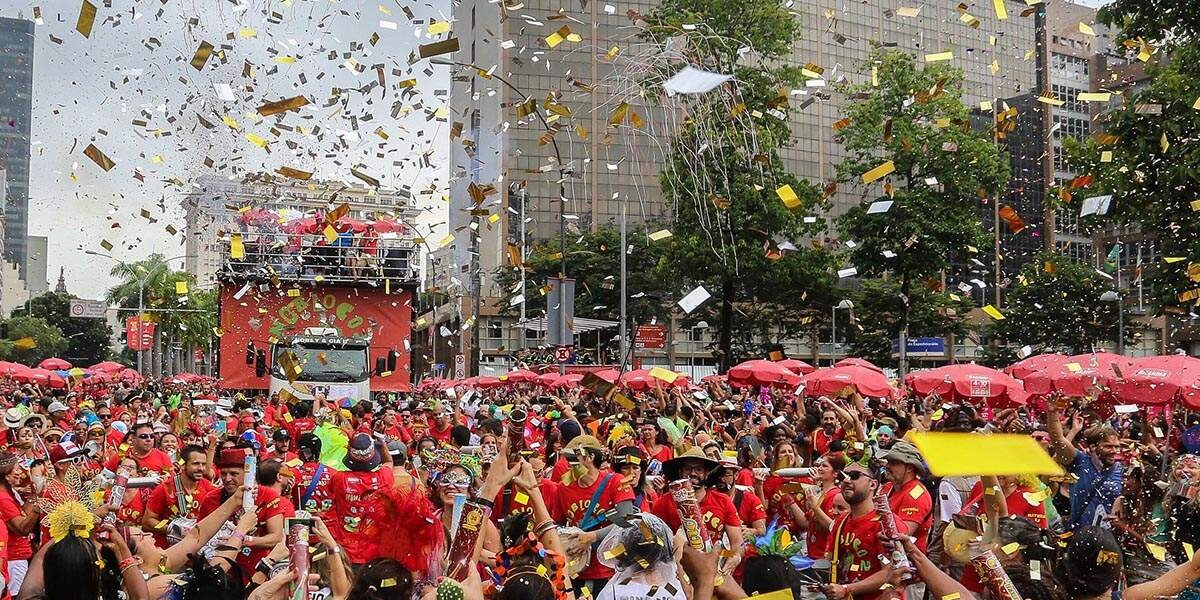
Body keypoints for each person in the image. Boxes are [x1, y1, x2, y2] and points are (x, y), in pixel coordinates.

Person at [552, 435, 635, 597]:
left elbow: (628, 521)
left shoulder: (616, 481)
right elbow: (557, 524)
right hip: (576, 571)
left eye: (572, 458)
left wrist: (591, 536)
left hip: (611, 569)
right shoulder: (563, 487)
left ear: (590, 457)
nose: (567, 464)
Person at [649, 448, 745, 579]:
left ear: (706, 474)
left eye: (699, 469)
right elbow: (653, 541)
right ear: (680, 472)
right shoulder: (664, 502)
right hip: (676, 574)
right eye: (688, 469)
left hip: (714, 570)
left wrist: (736, 556)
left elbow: (738, 542)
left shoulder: (723, 501)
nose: (693, 473)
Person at [196, 447, 285, 581]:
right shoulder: (211, 499)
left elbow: (276, 537)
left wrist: (245, 540)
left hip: (257, 572)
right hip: (222, 572)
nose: (227, 479)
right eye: (223, 474)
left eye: (234, 473)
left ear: (248, 474)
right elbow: (199, 536)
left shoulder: (267, 495)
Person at [1046, 400, 1123, 529]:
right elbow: (1058, 440)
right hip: (1079, 537)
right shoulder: (1080, 462)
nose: (1114, 451)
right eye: (1108, 447)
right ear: (1093, 447)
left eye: (1117, 447)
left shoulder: (1122, 470)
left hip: (1110, 540)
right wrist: (1053, 413)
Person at [824, 462, 894, 600]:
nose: (846, 480)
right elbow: (831, 561)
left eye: (854, 476)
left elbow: (890, 573)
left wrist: (846, 589)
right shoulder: (841, 521)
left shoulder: (886, 523)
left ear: (872, 485)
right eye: (843, 475)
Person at [329, 433, 395, 568]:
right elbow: (389, 462)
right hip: (376, 554)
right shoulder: (384, 476)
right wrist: (382, 443)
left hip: (346, 552)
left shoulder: (339, 478)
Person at [142, 444, 218, 546]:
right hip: (167, 550)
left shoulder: (210, 489)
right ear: (183, 465)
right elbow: (147, 522)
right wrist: (174, 530)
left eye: (203, 464)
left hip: (197, 550)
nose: (201, 468)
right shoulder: (165, 489)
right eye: (195, 464)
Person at [878, 440, 933, 552]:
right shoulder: (888, 486)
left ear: (910, 468)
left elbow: (901, 534)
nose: (887, 466)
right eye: (888, 462)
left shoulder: (916, 495)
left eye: (894, 463)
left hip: (907, 562)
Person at [104, 422, 173, 477]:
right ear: (133, 438)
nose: (149, 439)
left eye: (152, 436)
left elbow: (171, 481)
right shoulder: (121, 455)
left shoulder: (163, 457)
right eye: (143, 436)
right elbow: (105, 478)